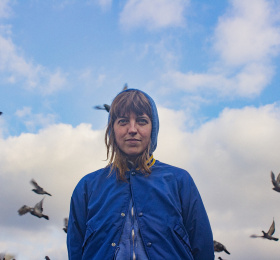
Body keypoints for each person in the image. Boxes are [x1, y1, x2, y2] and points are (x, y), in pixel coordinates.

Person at [67, 88, 214, 260]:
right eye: (123, 121)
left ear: (153, 128)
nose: (132, 129)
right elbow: (75, 250)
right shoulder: (87, 187)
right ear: (112, 130)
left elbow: (202, 246)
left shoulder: (179, 181)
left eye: (142, 121)